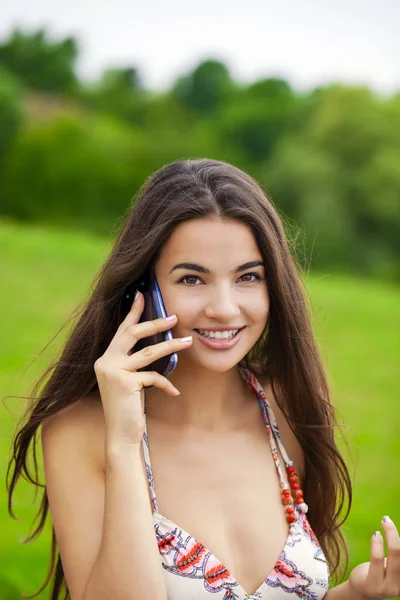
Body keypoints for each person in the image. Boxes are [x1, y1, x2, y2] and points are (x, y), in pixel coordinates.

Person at [7, 159, 399, 600]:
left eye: (248, 277)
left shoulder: (285, 408)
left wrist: (358, 593)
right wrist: (123, 441)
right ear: (143, 290)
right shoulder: (81, 431)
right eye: (192, 278)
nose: (225, 308)